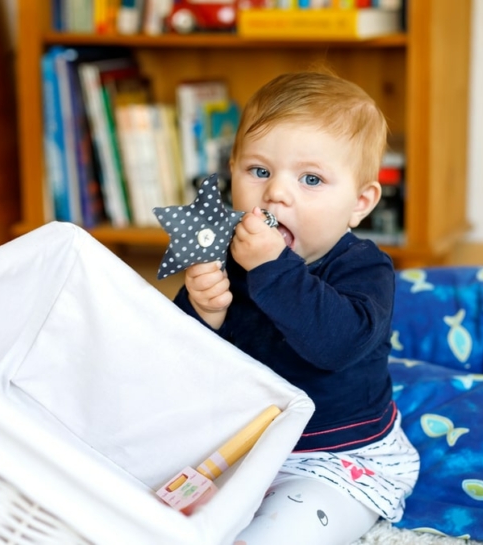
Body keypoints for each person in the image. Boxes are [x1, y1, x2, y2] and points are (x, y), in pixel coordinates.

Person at [172, 71, 419, 544]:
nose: (276, 193)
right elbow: (185, 364)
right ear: (233, 171)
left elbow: (336, 345)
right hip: (238, 452)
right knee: (144, 508)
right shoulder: (224, 254)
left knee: (277, 533)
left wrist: (272, 266)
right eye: (259, 171)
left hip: (335, 458)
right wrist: (202, 312)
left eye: (311, 179)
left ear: (359, 203)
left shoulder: (365, 270)